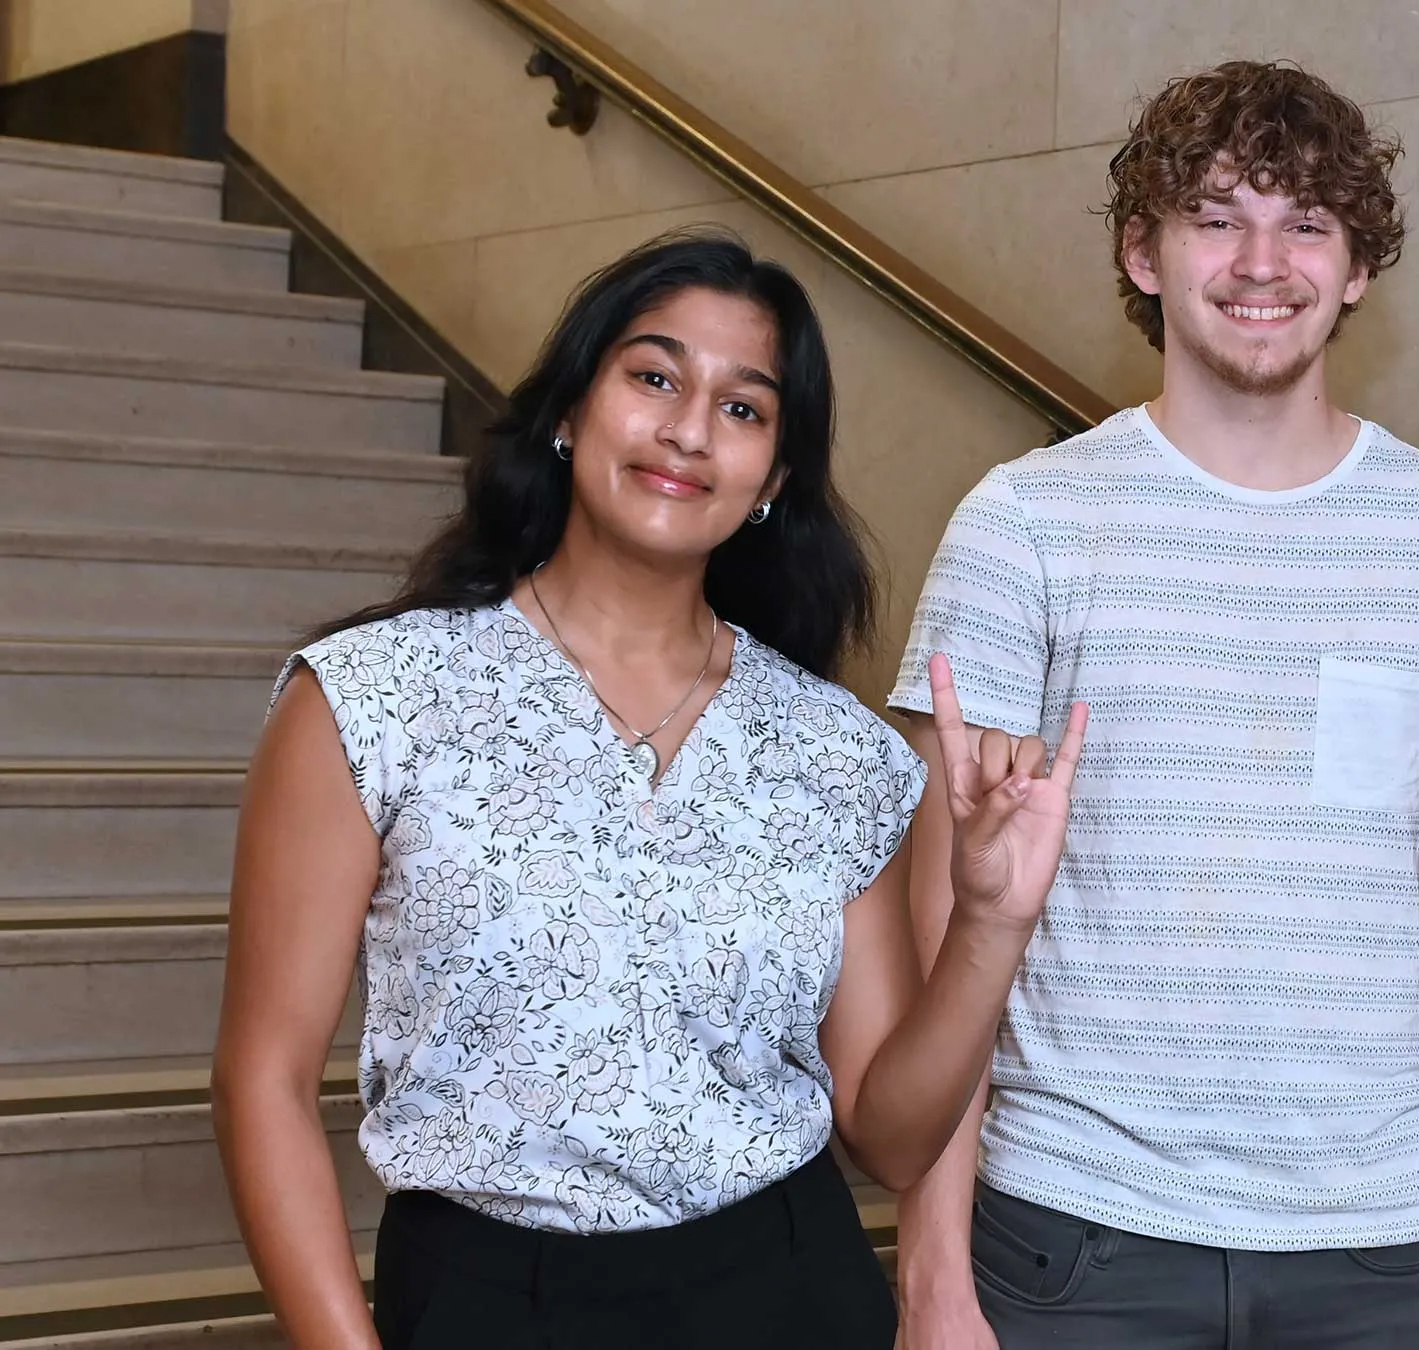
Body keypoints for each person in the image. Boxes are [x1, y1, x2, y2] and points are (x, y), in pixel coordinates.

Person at [888, 61, 1419, 1350]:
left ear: (1358, 268)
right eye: (1217, 216)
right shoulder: (1023, 525)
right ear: (1144, 252)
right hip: (1078, 1235)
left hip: (1375, 1246)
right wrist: (933, 1280)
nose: (1263, 260)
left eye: (1307, 222)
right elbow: (941, 936)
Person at [210, 230, 1085, 1350]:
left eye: (743, 408)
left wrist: (991, 924)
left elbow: (891, 1136)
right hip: (486, 1297)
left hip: (788, 1289)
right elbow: (264, 1080)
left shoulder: (834, 750)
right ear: (571, 409)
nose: (687, 430)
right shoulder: (374, 699)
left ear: (773, 478)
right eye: (656, 376)